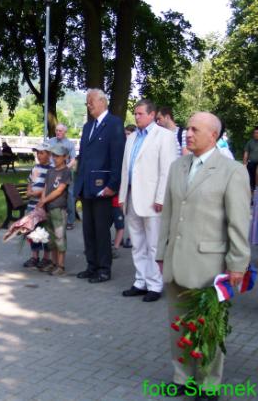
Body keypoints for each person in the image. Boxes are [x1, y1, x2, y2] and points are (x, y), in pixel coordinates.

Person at [156, 112, 250, 401]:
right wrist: (161, 253)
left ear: (213, 135)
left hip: (210, 265)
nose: (188, 133)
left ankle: (208, 384)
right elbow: (169, 214)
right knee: (178, 325)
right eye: (187, 128)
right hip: (175, 261)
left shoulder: (232, 170)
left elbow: (238, 221)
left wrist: (238, 264)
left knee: (208, 328)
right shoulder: (177, 166)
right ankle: (182, 378)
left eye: (195, 129)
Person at [118, 99, 177, 302]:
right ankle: (140, 281)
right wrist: (121, 195)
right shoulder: (132, 137)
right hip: (132, 196)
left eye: (141, 113)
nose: (136, 116)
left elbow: (167, 169)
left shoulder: (164, 136)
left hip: (153, 199)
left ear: (152, 115)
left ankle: (155, 284)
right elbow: (126, 168)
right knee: (137, 243)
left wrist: (161, 197)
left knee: (153, 244)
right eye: (135, 113)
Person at [73, 88, 125, 283]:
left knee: (102, 230)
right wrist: (79, 187)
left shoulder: (114, 124)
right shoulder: (88, 127)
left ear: (103, 102)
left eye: (91, 101)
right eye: (87, 102)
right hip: (87, 187)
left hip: (104, 187)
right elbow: (84, 158)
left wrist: (113, 185)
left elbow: (117, 157)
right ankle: (91, 265)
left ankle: (104, 269)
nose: (88, 104)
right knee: (88, 229)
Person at [37, 144, 71, 276]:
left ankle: (61, 266)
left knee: (59, 236)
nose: (54, 158)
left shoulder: (66, 172)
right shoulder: (50, 171)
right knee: (50, 238)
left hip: (58, 209)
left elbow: (60, 190)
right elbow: (46, 187)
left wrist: (45, 200)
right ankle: (53, 262)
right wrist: (42, 200)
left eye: (57, 156)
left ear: (65, 157)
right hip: (48, 209)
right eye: (53, 155)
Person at [23, 142, 52, 269]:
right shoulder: (35, 168)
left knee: (45, 232)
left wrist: (37, 193)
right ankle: (35, 256)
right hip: (32, 205)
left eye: (41, 153)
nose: (39, 155)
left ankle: (47, 257)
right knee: (32, 231)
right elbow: (30, 182)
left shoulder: (52, 169)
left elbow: (49, 188)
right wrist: (29, 191)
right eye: (37, 153)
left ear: (49, 154)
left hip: (44, 205)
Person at [48, 124, 77, 230]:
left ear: (65, 132)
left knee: (69, 196)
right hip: (52, 172)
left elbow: (73, 160)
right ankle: (52, 219)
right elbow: (43, 153)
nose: (58, 132)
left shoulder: (69, 144)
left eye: (60, 131)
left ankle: (70, 221)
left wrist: (64, 169)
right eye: (56, 130)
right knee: (51, 195)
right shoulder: (50, 141)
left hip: (66, 172)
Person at [242, 126, 258, 191]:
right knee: (250, 179)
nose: (256, 134)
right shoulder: (250, 142)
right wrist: (244, 164)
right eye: (255, 133)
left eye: (257, 133)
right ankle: (252, 191)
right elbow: (246, 153)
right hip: (251, 163)